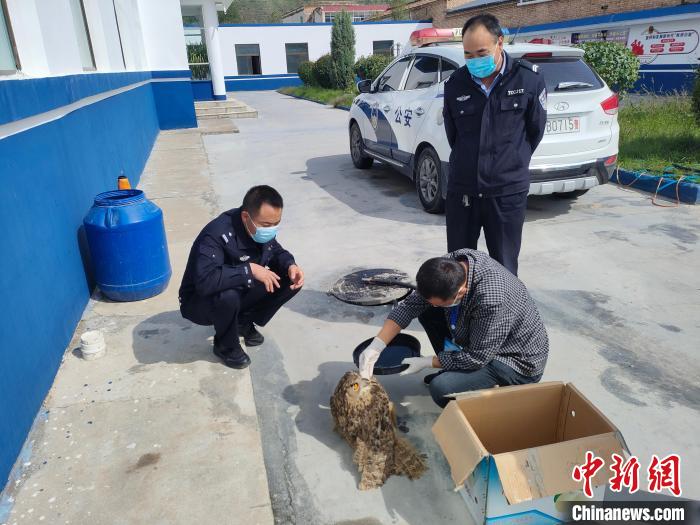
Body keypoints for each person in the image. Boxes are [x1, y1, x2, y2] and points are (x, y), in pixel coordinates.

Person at [358, 249, 548, 407]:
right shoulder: (452, 264)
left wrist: (428, 362)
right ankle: (456, 368)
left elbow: (477, 357)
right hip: (484, 337)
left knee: (442, 388)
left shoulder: (492, 299)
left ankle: (482, 392)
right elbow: (410, 306)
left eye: (439, 303)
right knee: (427, 311)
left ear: (461, 292)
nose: (434, 306)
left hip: (513, 359)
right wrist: (377, 345)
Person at [443, 14, 547, 276]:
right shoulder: (456, 84)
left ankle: (502, 305)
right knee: (458, 268)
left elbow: (534, 131)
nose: (475, 61)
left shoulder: (528, 80)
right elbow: (453, 135)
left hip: (506, 192)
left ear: (500, 43)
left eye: (481, 53)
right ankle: (465, 305)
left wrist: (509, 162)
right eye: (468, 55)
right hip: (463, 191)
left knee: (504, 268)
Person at [179, 185, 304, 369]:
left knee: (288, 279)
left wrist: (290, 265)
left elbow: (275, 251)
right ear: (246, 217)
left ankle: (242, 321)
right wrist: (249, 270)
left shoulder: (258, 227)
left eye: (276, 223)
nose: (271, 229)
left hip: (238, 287)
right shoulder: (216, 234)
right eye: (267, 225)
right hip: (199, 300)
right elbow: (205, 281)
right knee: (228, 296)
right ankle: (225, 346)